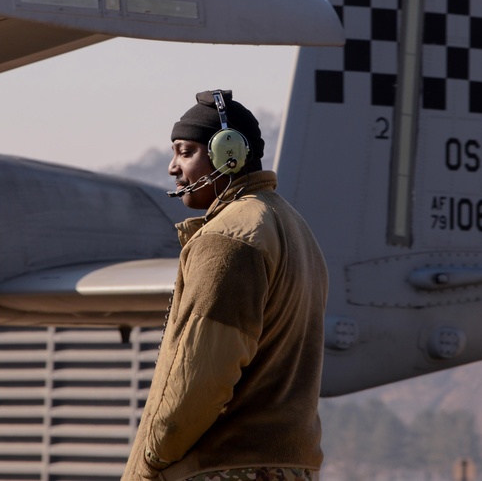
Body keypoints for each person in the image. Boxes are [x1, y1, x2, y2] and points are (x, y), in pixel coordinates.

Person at [122, 90, 329, 481]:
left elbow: (202, 374)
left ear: (226, 155)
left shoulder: (230, 238)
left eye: (185, 152)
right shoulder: (295, 229)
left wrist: (152, 457)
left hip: (226, 467)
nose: (172, 168)